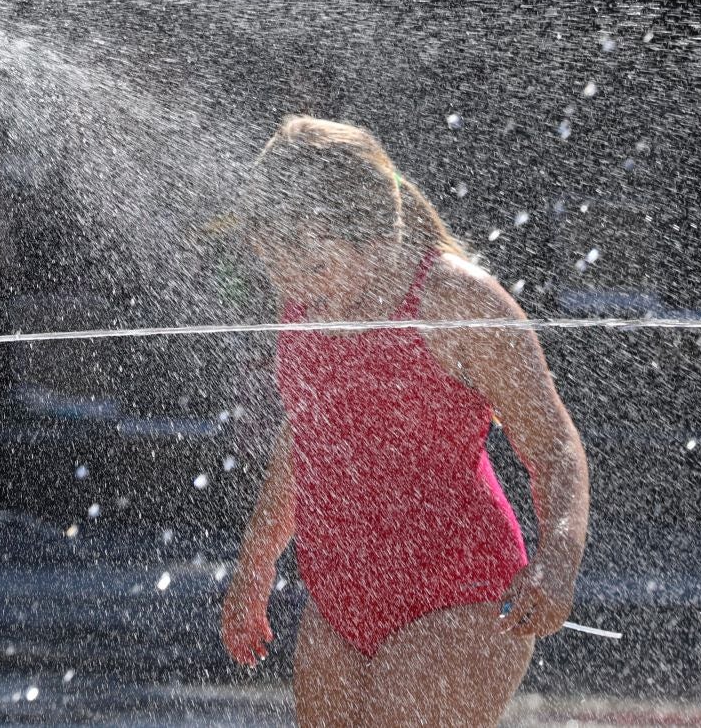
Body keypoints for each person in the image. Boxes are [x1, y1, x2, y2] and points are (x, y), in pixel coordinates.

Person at [220, 117, 589, 727]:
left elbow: (553, 445)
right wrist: (255, 564)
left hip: (458, 592)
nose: (299, 292)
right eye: (280, 270)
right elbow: (307, 439)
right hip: (339, 600)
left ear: (374, 238)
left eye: (313, 268)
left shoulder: (457, 302)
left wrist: (559, 559)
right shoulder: (307, 299)